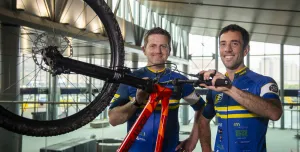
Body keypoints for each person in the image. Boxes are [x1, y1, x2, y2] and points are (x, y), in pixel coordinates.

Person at [108, 27, 205, 152]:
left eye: (163, 46)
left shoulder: (179, 80)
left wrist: (193, 139)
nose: (158, 51)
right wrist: (137, 101)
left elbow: (201, 108)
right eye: (153, 46)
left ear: (169, 50)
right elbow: (113, 120)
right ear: (144, 49)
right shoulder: (130, 80)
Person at [198, 24, 283, 152]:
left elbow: (275, 113)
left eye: (234, 44)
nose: (227, 49)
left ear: (246, 50)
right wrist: (206, 149)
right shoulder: (216, 87)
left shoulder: (264, 82)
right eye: (223, 44)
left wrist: (229, 89)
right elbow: (203, 121)